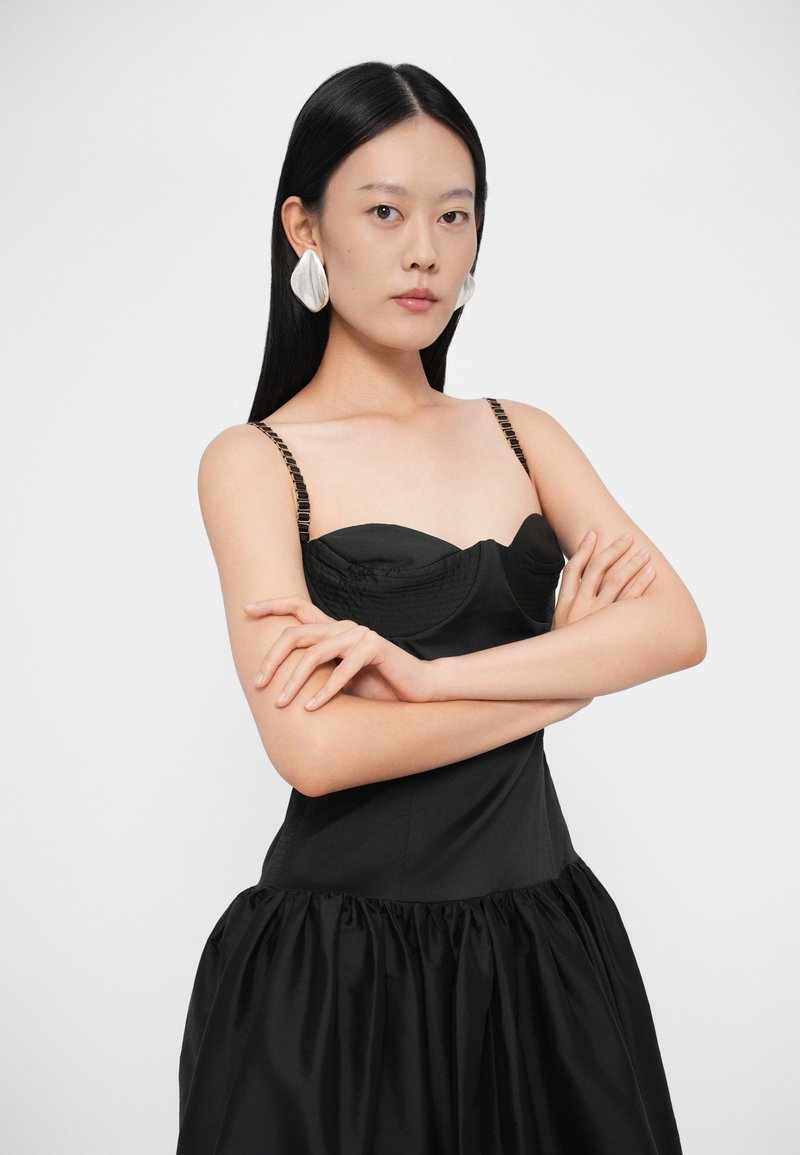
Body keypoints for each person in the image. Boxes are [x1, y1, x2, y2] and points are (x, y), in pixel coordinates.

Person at [176, 60, 706, 1154]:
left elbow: (672, 629)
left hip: (543, 955)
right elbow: (314, 750)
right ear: (304, 228)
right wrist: (565, 683)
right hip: (337, 980)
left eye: (453, 215)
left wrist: (428, 680)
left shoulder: (522, 433)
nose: (424, 250)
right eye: (385, 212)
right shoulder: (255, 461)